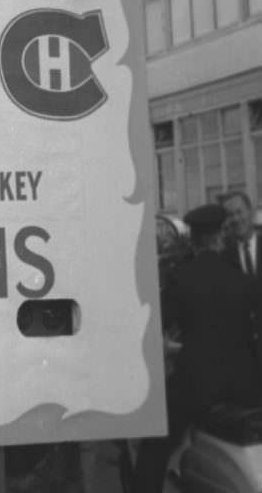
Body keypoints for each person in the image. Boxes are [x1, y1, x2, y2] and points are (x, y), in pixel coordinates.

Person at [133, 202, 262, 491]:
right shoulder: (243, 280)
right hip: (244, 386)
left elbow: (157, 327)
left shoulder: (181, 278)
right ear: (219, 237)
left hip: (197, 384)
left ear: (194, 239)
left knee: (154, 448)